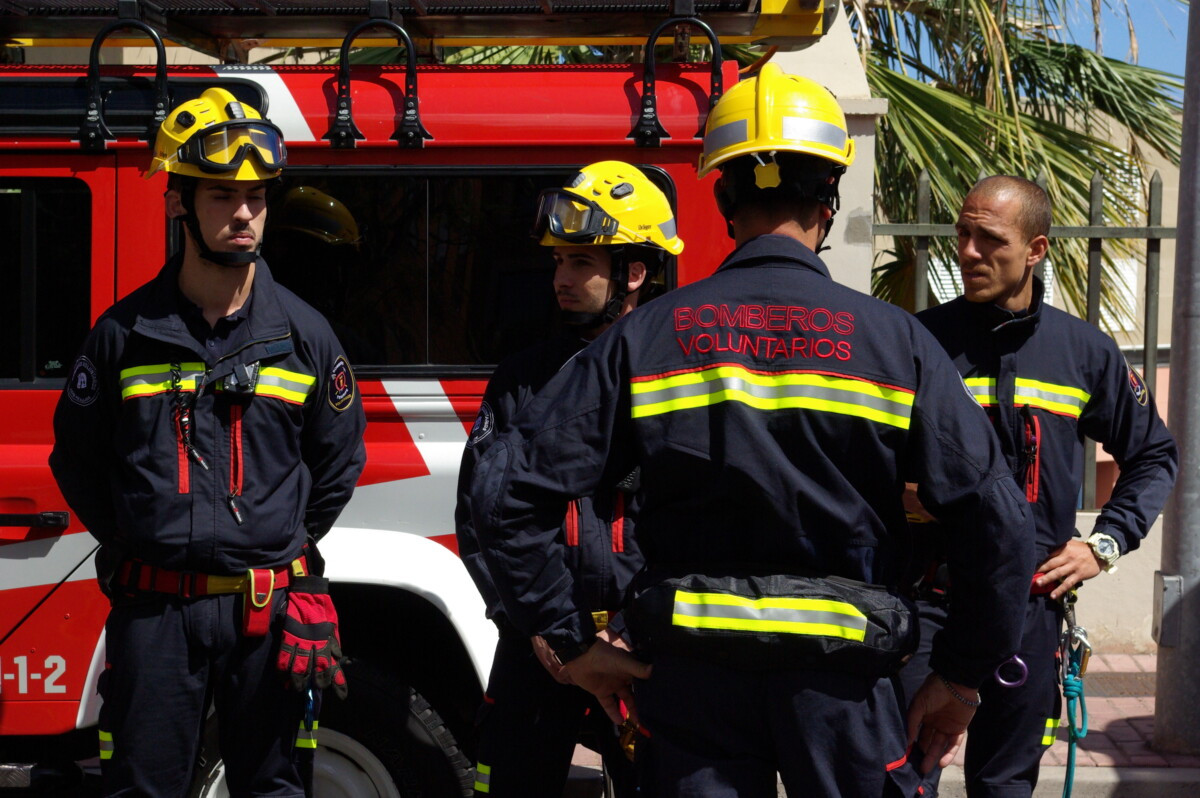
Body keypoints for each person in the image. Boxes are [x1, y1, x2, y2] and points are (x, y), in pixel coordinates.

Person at [467, 63, 1037, 798]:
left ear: (724, 194)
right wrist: (960, 678)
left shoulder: (647, 340)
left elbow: (505, 497)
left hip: (690, 690)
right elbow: (1000, 527)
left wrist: (570, 640)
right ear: (829, 199)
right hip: (845, 692)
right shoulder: (898, 345)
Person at [49, 87, 367, 798]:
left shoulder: (306, 338)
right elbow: (76, 458)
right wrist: (141, 535)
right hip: (155, 613)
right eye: (222, 196)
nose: (245, 213)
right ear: (178, 204)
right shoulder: (122, 337)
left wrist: (284, 541)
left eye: (255, 196)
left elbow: (340, 460)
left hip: (270, 612)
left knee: (276, 788)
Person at [900, 175, 1178, 797]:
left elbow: (1154, 454)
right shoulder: (914, 341)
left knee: (1004, 784)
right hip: (927, 604)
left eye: (989, 239)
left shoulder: (1084, 352)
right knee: (903, 776)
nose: (968, 252)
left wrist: (1103, 545)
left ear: (1036, 250)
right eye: (962, 235)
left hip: (1031, 611)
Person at [456, 160, 683, 797]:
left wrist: (630, 631)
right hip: (541, 649)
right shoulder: (521, 378)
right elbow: (481, 517)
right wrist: (535, 625)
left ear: (634, 272)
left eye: (581, 262)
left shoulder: (678, 382)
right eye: (558, 261)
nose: (560, 277)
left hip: (643, 650)